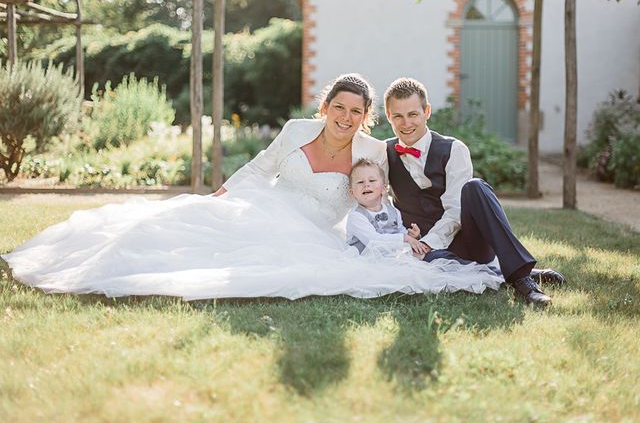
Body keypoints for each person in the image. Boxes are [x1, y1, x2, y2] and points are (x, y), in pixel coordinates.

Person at [4, 74, 502, 300]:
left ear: (366, 117)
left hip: (314, 229)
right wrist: (225, 191)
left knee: (254, 265)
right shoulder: (294, 130)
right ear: (325, 106)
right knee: (185, 226)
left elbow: (381, 196)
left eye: (356, 111)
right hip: (268, 204)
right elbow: (261, 169)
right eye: (339, 107)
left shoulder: (374, 151)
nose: (346, 118)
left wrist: (407, 232)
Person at [383, 77, 566, 306]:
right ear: (388, 116)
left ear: (427, 112)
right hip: (424, 251)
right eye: (398, 116)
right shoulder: (384, 153)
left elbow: (455, 211)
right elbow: (378, 204)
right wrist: (407, 240)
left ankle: (522, 280)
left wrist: (430, 242)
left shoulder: (454, 149)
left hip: (467, 243)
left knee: (475, 187)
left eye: (413, 114)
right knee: (438, 267)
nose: (406, 123)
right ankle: (506, 270)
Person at [346, 158, 424, 256]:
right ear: (352, 193)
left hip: (390, 258)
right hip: (364, 260)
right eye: (360, 182)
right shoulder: (356, 216)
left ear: (384, 188)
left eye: (372, 180)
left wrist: (412, 236)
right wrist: (404, 238)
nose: (366, 185)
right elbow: (373, 241)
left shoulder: (393, 211)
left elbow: (400, 231)